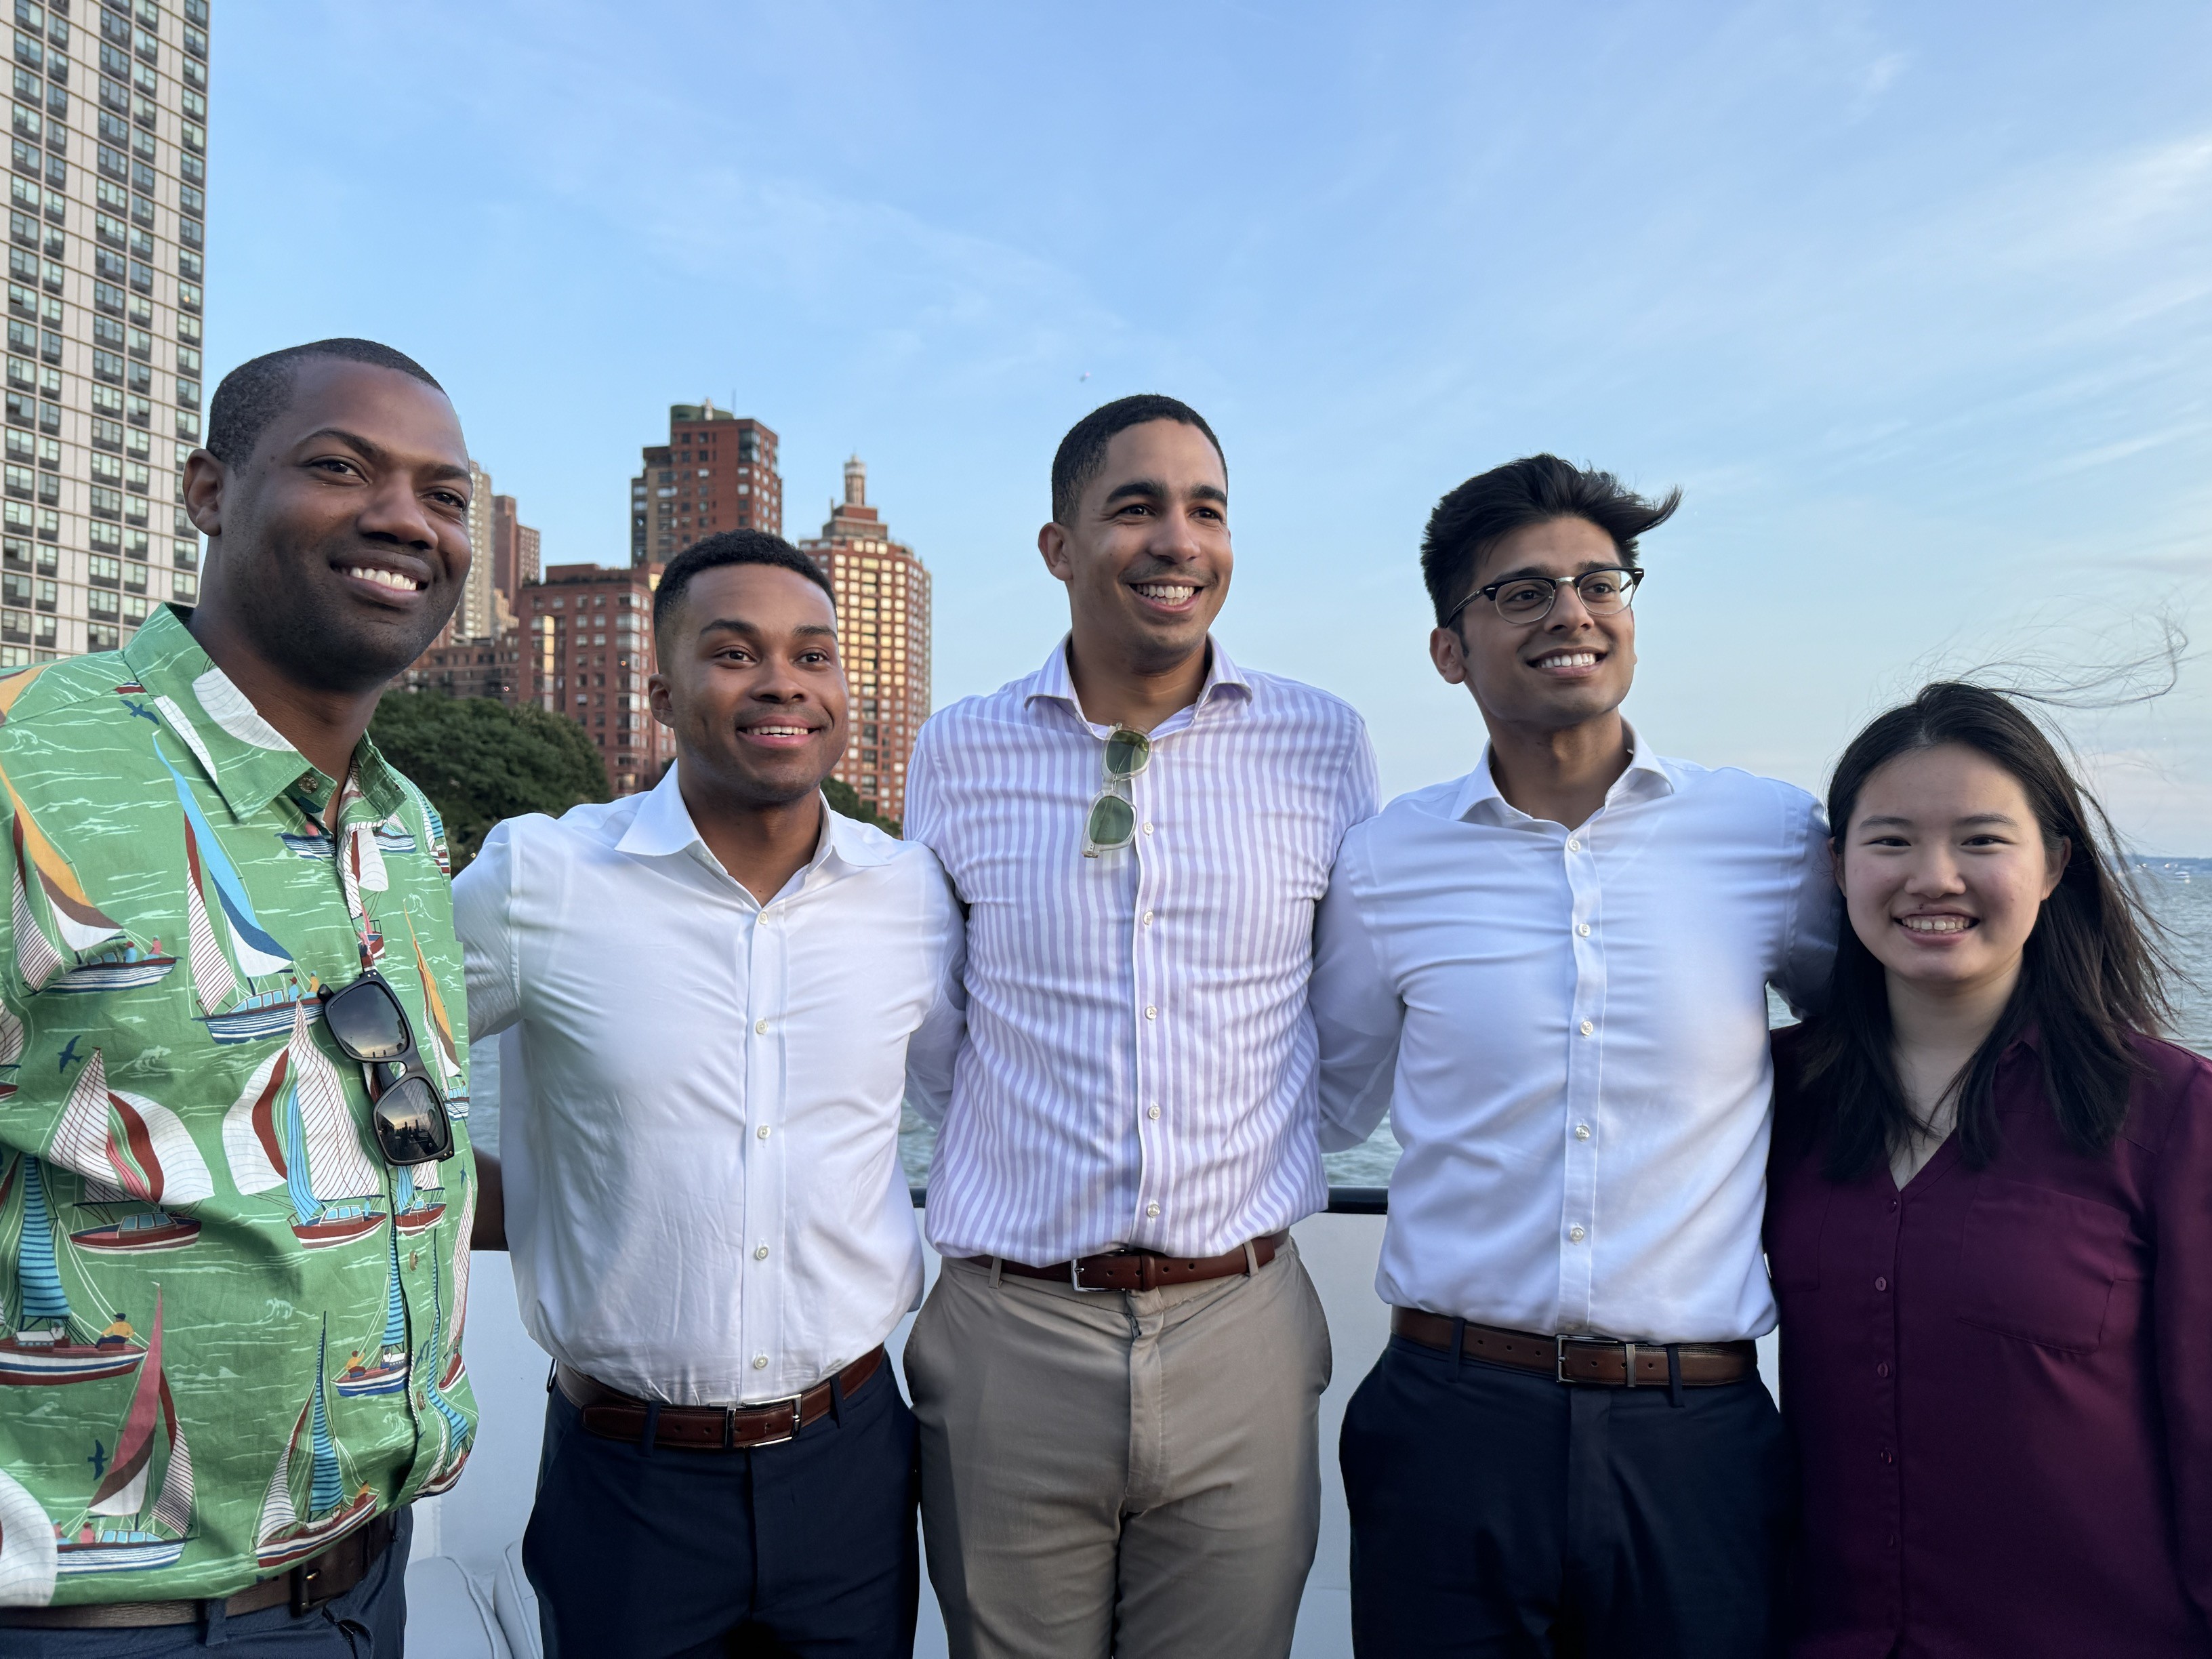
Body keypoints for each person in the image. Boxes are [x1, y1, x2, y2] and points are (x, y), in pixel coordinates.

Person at [1312, 454, 1837, 1656]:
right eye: (1522, 592)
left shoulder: (1764, 835)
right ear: (1450, 649)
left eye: (1601, 582)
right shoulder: (1389, 862)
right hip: (1450, 1418)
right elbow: (1335, 1102)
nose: (1572, 613)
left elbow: (1876, 1043)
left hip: (1694, 1426)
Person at [0, 340, 480, 1653]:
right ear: (210, 492)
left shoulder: (403, 822)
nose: (406, 519)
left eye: (447, 496)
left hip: (359, 1587)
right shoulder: (28, 766)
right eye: (341, 468)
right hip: (93, 1619)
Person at [902, 394, 1376, 1658]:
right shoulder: (958, 751)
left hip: (1243, 1326)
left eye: (1205, 508)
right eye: (1136, 508)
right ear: (1060, 547)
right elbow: (935, 1025)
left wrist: (1242, 1157)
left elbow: (1343, 1019)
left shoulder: (1324, 745)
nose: (1178, 539)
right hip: (1013, 1330)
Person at [454, 529, 962, 1658]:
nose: (782, 680)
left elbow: (979, 1102)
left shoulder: (910, 892)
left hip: (855, 1457)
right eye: (734, 653)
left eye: (813, 655)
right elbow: (354, 1062)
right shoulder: (543, 879)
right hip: (626, 1473)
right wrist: (496, 1196)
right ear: (663, 691)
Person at [1765, 682, 2211, 1653]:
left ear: (2053, 863)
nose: (1935, 877)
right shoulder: (1774, 1097)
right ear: (1838, 867)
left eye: (1980, 840)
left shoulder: (2170, 1111)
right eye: (1890, 841)